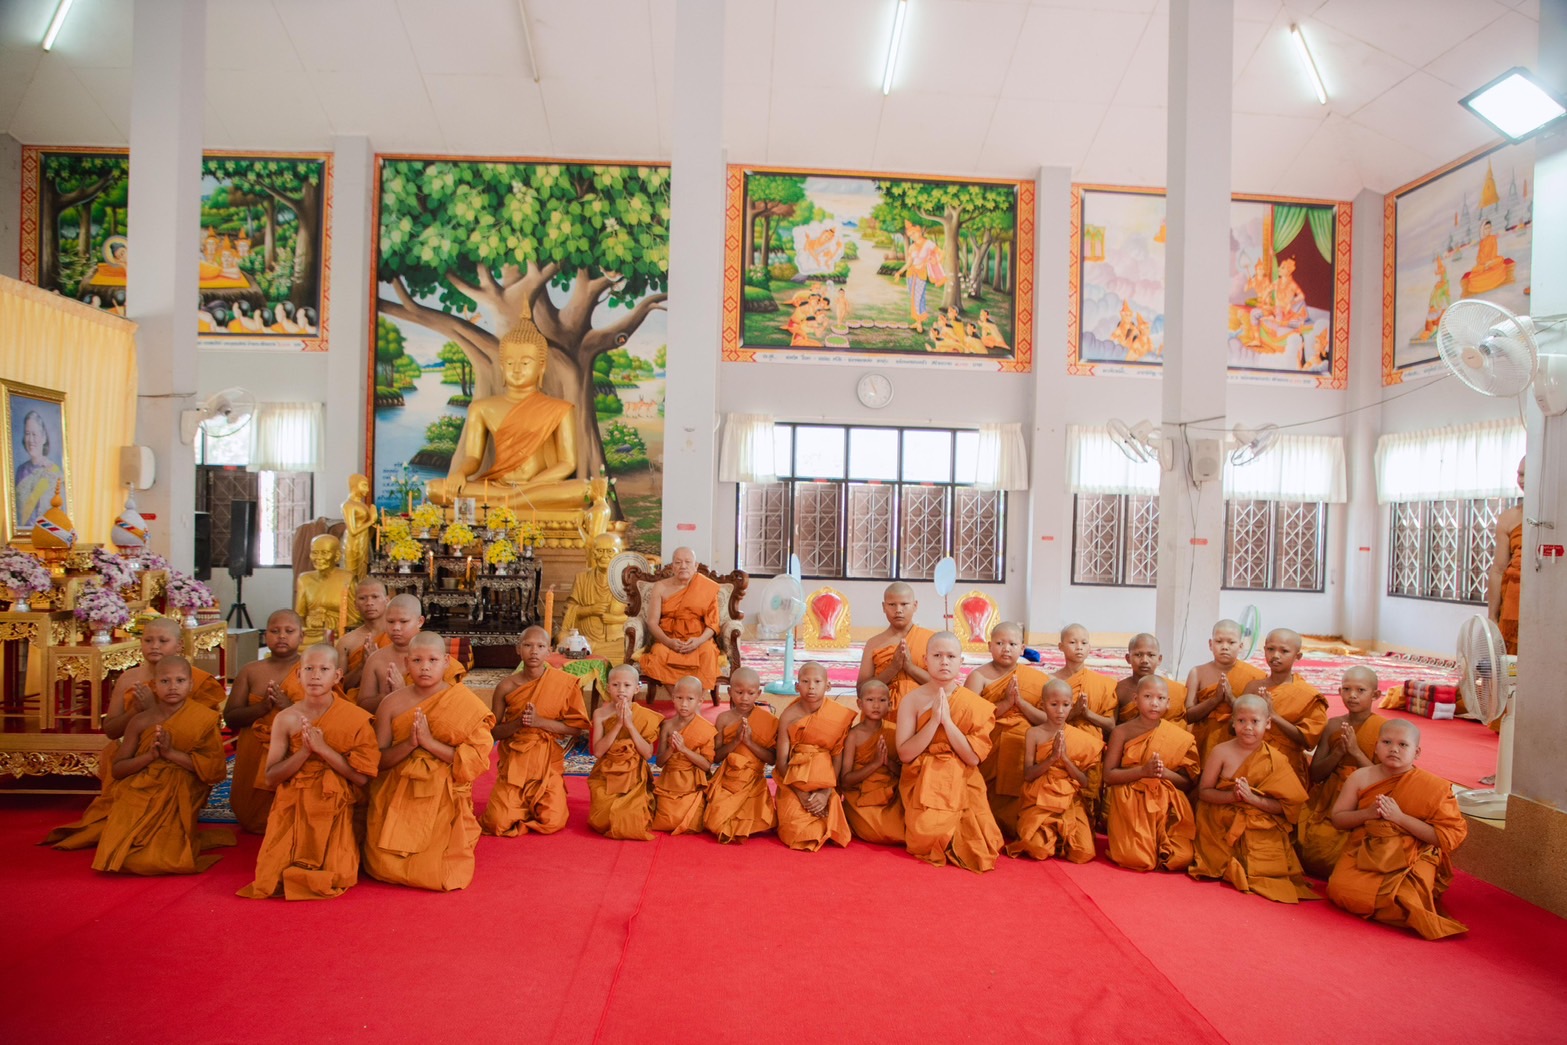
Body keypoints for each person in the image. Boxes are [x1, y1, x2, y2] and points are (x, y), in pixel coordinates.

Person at [41, 618, 225, 850]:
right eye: (148, 640)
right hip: (133, 756)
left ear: (179, 645)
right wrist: (137, 712)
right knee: (113, 819)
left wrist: (156, 715)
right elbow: (111, 730)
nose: (155, 646)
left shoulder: (194, 681)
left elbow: (201, 734)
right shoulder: (129, 679)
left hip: (178, 763)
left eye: (162, 640)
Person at [237, 645, 379, 900]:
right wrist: (303, 752)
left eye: (324, 669)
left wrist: (323, 750)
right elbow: (271, 776)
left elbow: (361, 777)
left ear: (337, 677)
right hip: (293, 805)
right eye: (308, 669)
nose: (315, 676)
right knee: (272, 878)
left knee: (338, 875)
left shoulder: (356, 718)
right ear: (298, 676)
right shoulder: (286, 718)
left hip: (334, 805)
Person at [363, 633, 495, 892]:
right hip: (397, 787)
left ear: (446, 661)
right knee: (380, 865)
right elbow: (379, 760)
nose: (425, 666)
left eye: (433, 660)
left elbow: (476, 761)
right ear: (406, 662)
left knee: (442, 872)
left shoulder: (464, 702)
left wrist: (428, 742)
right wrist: (410, 744)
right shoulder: (391, 703)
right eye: (417, 660)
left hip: (442, 789)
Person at [424, 317, 596, 512]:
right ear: (501, 366)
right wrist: (460, 473)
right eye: (509, 362)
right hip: (498, 487)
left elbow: (568, 463)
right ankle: (509, 503)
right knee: (436, 489)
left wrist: (528, 488)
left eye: (525, 363)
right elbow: (472, 456)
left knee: (583, 489)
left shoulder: (559, 408)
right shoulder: (481, 408)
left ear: (542, 367)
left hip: (539, 488)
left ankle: (502, 505)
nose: (516, 369)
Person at [1328, 720, 1469, 939]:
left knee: (1407, 901)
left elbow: (1445, 838)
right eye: (1387, 742)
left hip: (1413, 853)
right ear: (1376, 746)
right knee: (1339, 890)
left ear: (1417, 752)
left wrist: (1400, 818)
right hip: (1367, 848)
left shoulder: (1433, 787)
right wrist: (1367, 814)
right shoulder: (1361, 777)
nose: (1394, 749)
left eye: (1403, 745)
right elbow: (1338, 819)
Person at [92, 657, 232, 875]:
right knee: (125, 850)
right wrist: (149, 756)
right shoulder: (140, 721)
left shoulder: (202, 718)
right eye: (165, 681)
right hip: (141, 781)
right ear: (154, 686)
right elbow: (118, 769)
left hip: (183, 784)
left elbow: (214, 770)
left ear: (191, 685)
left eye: (180, 680)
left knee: (156, 859)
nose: (173, 686)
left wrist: (170, 754)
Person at [1189, 695, 1316, 903]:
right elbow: (1204, 792)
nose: (1247, 727)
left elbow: (1286, 808)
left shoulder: (1276, 760)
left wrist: (1251, 799)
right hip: (1221, 817)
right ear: (1233, 722)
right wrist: (1232, 796)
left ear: (1267, 724)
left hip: (1259, 817)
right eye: (1241, 721)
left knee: (1268, 868)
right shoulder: (1221, 752)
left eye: (1255, 721)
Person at [897, 632, 1002, 872]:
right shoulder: (912, 700)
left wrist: (948, 722)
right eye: (937, 655)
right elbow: (905, 754)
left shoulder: (973, 704)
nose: (944, 661)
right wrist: (934, 722)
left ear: (960, 661)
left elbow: (973, 757)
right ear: (925, 660)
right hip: (924, 778)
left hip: (962, 776)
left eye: (951, 656)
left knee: (984, 841)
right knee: (926, 835)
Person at [480, 627, 589, 837]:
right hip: (515, 763)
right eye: (528, 645)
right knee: (496, 823)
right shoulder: (506, 686)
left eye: (540, 646)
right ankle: (520, 808)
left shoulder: (562, 683)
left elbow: (576, 730)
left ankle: (526, 811)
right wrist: (519, 724)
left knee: (552, 822)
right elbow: (492, 732)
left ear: (549, 651)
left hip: (546, 762)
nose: (534, 651)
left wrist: (540, 722)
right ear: (518, 649)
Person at [1103, 676, 1199, 873]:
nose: (1154, 703)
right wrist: (1142, 772)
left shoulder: (1180, 737)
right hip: (1130, 803)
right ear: (1135, 699)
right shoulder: (1121, 732)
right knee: (1135, 858)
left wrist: (1163, 773)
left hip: (1166, 805)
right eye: (1147, 696)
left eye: (1161, 698)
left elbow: (1188, 784)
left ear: (1168, 703)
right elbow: (1109, 776)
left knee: (1182, 857)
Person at [1298, 667, 1387, 879]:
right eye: (1347, 689)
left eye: (1360, 690)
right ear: (1339, 691)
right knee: (1311, 847)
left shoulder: (1384, 728)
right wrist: (1337, 753)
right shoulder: (1333, 725)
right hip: (1330, 799)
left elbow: (1384, 777)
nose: (1352, 695)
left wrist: (1355, 752)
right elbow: (1316, 774)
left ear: (1375, 695)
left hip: (1364, 797)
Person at [962, 621, 1048, 836]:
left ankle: (1016, 822)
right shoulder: (978, 676)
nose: (1006, 648)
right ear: (989, 646)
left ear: (1022, 648)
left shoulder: (1037, 679)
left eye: (1012, 643)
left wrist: (1021, 705)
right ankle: (987, 821)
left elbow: (1048, 719)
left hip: (1022, 741)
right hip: (990, 741)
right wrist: (1006, 704)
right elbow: (970, 719)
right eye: (1000, 643)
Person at [224, 610, 306, 834]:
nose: (281, 636)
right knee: (249, 810)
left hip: (294, 748)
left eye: (289, 631)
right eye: (274, 631)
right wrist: (262, 709)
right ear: (265, 635)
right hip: (255, 746)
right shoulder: (251, 671)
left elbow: (325, 718)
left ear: (302, 636)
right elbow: (230, 717)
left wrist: (288, 705)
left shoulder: (312, 670)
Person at [1005, 679, 1100, 863]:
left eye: (1066, 705)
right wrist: (1051, 759)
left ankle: (1060, 839)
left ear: (1072, 705)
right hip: (1040, 798)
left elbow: (1085, 782)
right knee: (1038, 849)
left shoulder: (1080, 738)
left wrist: (1064, 759)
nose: (1060, 711)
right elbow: (1028, 774)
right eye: (1054, 704)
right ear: (1042, 705)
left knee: (1083, 853)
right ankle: (1053, 839)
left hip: (1069, 800)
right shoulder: (1034, 734)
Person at [774, 662, 854, 851]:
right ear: (797, 686)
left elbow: (837, 757)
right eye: (805, 681)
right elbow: (781, 762)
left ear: (828, 686)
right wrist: (801, 794)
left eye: (817, 681)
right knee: (793, 829)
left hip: (825, 782)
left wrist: (826, 792)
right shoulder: (788, 716)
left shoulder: (836, 716)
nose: (811, 686)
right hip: (794, 783)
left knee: (830, 825)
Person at [1237, 629, 1328, 786]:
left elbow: (1307, 740)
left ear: (1297, 656)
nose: (1275, 656)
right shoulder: (1253, 687)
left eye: (1284, 651)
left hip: (1286, 764)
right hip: (1247, 759)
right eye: (1271, 649)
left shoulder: (1307, 695)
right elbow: (1235, 727)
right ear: (1264, 650)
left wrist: (1273, 715)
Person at [588, 664, 663, 840]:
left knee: (632, 820)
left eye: (627, 685)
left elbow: (647, 754)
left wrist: (630, 724)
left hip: (633, 777)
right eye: (615, 685)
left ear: (636, 688)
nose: (621, 690)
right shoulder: (600, 714)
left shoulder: (645, 715)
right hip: (607, 774)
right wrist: (619, 724)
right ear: (608, 687)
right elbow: (598, 752)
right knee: (601, 821)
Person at [356, 594, 467, 714]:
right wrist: (386, 697)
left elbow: (449, 707)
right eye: (390, 622)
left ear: (420, 621)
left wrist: (404, 693)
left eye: (403, 621)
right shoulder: (376, 659)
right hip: (389, 724)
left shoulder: (438, 660)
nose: (396, 628)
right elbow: (362, 705)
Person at [637, 546, 723, 697]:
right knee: (659, 654)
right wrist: (669, 642)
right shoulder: (661, 587)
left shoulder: (706, 587)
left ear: (696, 566)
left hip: (698, 639)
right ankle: (677, 699)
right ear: (672, 566)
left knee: (708, 653)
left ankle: (696, 702)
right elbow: (652, 622)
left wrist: (698, 641)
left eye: (688, 562)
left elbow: (713, 624)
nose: (683, 566)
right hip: (669, 639)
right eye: (678, 562)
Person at [704, 667, 777, 844]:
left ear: (759, 693)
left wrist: (750, 742)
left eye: (751, 693)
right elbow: (716, 756)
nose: (744, 698)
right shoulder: (723, 719)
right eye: (739, 692)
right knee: (715, 821)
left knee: (758, 820)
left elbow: (772, 759)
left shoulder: (768, 720)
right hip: (728, 780)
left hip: (753, 781)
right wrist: (736, 741)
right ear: (729, 691)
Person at [1053, 623, 1117, 819]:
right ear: (1060, 646)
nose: (1079, 647)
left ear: (1090, 648)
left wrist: (1087, 714)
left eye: (1084, 642)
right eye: (1072, 642)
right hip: (1060, 744)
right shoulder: (1050, 681)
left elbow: (1111, 725)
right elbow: (1043, 721)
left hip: (1091, 748)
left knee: (1086, 801)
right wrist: (1072, 714)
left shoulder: (1104, 684)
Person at [1183, 619, 1266, 761]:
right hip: (1204, 741)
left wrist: (1231, 699)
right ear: (1210, 644)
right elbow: (1188, 716)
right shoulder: (1197, 673)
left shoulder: (1255, 676)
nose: (1225, 647)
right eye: (1219, 641)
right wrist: (1214, 700)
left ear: (1240, 646)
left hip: (1240, 742)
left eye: (1231, 642)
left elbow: (1258, 718)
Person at [837, 680, 904, 846]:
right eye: (870, 700)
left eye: (882, 701)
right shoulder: (853, 735)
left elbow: (904, 772)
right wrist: (874, 764)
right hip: (861, 796)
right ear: (860, 704)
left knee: (904, 826)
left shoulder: (894, 731)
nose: (876, 705)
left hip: (889, 793)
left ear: (890, 704)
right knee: (880, 832)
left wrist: (886, 762)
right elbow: (845, 779)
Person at [651, 676, 717, 835]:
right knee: (664, 819)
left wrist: (684, 749)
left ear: (700, 701)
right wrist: (671, 750)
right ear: (673, 698)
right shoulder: (667, 725)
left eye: (690, 699)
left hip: (691, 785)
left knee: (692, 824)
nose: (684, 704)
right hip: (669, 782)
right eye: (679, 698)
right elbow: (659, 762)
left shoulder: (706, 729)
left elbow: (707, 766)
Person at [857, 582, 933, 712]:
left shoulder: (931, 640)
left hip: (923, 715)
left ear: (915, 606)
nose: (898, 610)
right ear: (883, 607)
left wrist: (910, 668)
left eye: (904, 604)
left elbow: (945, 685)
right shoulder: (873, 644)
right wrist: (893, 668)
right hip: (883, 715)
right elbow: (861, 690)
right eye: (892, 604)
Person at [556, 531, 630, 662]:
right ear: (593, 552)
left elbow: (638, 617)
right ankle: (588, 647)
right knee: (562, 637)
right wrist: (590, 610)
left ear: (619, 553)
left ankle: (590, 649)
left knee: (630, 646)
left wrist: (615, 619)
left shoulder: (628, 581)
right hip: (584, 636)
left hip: (616, 639)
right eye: (599, 551)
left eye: (610, 551)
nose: (604, 556)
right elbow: (569, 610)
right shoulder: (582, 578)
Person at [293, 534, 361, 647]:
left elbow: (356, 618)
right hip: (311, 635)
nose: (318, 557)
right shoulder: (304, 579)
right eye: (314, 552)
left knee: (342, 645)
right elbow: (299, 616)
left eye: (324, 553)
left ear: (337, 556)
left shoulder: (347, 578)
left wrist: (329, 622)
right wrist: (310, 626)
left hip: (336, 635)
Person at [1488, 456, 1525, 656]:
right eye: (1519, 474)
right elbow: (1498, 569)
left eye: (1527, 474)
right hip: (1513, 603)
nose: (1522, 479)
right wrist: (1493, 615)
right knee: (1509, 666)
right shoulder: (1509, 518)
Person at [335, 579, 390, 702]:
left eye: (375, 597)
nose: (369, 603)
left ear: (387, 600)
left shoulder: (399, 635)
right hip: (358, 704)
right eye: (363, 598)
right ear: (355, 605)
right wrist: (362, 666)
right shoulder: (346, 642)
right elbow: (338, 686)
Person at [1115, 633, 1188, 726]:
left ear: (1159, 659)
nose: (1144, 660)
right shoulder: (1119, 690)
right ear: (1128, 658)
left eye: (1151, 655)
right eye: (1138, 655)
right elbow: (1112, 727)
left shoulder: (1175, 690)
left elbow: (1181, 724)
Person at [14, 409, 65, 530]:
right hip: (20, 539)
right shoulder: (20, 471)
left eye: (34, 434)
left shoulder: (54, 473)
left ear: (44, 438)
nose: (30, 440)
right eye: (27, 434)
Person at [340, 474, 376, 580]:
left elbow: (368, 533)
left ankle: (361, 596)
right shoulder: (348, 505)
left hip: (363, 542)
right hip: (352, 543)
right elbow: (353, 531)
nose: (368, 490)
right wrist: (371, 521)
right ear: (355, 485)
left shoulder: (363, 505)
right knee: (350, 577)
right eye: (364, 485)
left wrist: (374, 525)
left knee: (362, 576)